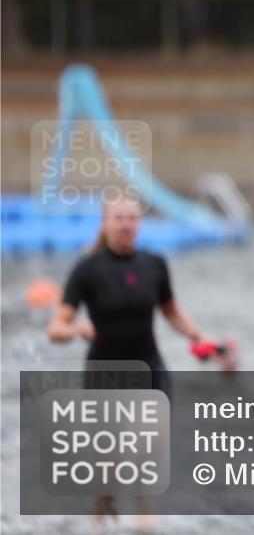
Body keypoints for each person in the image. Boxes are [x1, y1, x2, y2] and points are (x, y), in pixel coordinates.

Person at [47, 195, 214, 524]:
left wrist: (197, 335)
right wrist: (75, 328)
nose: (126, 224)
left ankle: (144, 522)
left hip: (149, 367)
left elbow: (171, 311)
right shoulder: (87, 270)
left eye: (132, 218)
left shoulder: (154, 264)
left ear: (139, 224)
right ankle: (101, 514)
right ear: (105, 223)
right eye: (119, 218)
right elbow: (55, 328)